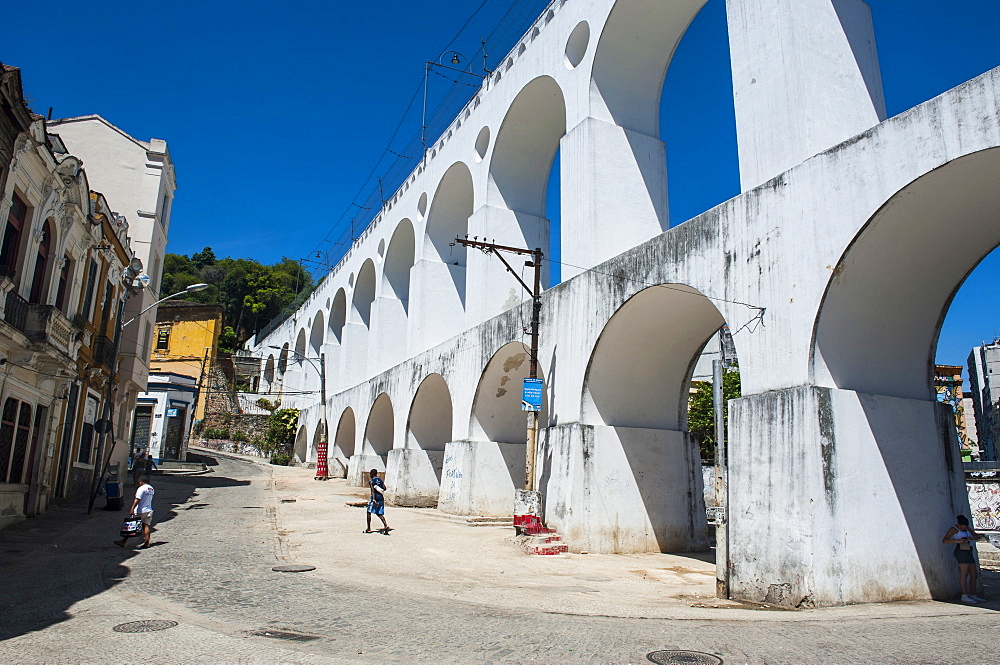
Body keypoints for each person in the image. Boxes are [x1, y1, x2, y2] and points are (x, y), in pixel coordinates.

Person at [942, 514, 985, 604]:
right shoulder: (954, 529)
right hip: (960, 550)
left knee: (974, 574)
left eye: (964, 527)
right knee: (964, 573)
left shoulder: (967, 528)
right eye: (961, 527)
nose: (963, 529)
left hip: (968, 550)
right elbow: (945, 540)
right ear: (958, 524)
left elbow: (977, 536)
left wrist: (969, 538)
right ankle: (964, 595)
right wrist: (958, 540)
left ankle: (973, 594)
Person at [116, 475, 155, 549]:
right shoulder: (151, 488)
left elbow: (137, 499)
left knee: (131, 525)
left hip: (140, 510)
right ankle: (147, 542)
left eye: (139, 482)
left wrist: (132, 508)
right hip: (148, 509)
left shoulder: (141, 488)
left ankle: (123, 541)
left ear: (141, 481)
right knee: (145, 525)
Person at [365, 469, 391, 534]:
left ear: (372, 474)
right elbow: (384, 488)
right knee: (379, 513)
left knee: (369, 512)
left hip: (375, 498)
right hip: (381, 498)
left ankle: (368, 528)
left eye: (370, 474)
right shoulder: (380, 480)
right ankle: (386, 525)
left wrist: (373, 499)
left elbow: (372, 491)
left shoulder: (371, 481)